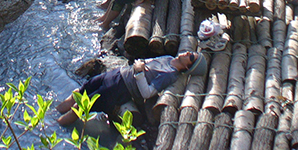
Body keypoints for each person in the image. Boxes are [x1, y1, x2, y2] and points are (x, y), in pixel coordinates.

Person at [56, 51, 207, 126]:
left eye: (191, 57)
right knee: (77, 93)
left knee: (79, 107)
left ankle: (54, 127)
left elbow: (147, 92)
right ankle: (51, 115)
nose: (187, 53)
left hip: (119, 88)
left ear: (188, 66)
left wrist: (140, 71)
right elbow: (144, 62)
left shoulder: (169, 75)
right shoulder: (168, 58)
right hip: (116, 74)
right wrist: (139, 65)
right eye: (190, 53)